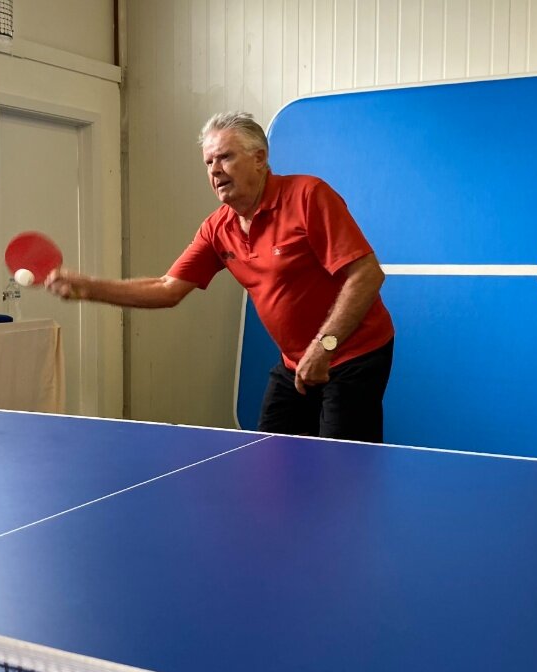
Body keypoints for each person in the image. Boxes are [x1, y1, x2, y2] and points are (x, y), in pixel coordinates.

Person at [46, 111, 395, 442]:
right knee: (272, 458)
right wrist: (88, 288)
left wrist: (323, 348)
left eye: (225, 157)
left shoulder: (308, 196)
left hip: (353, 355)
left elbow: (366, 275)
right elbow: (167, 289)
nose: (215, 170)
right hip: (296, 361)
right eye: (209, 162)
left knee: (345, 467)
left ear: (259, 158)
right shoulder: (218, 228)